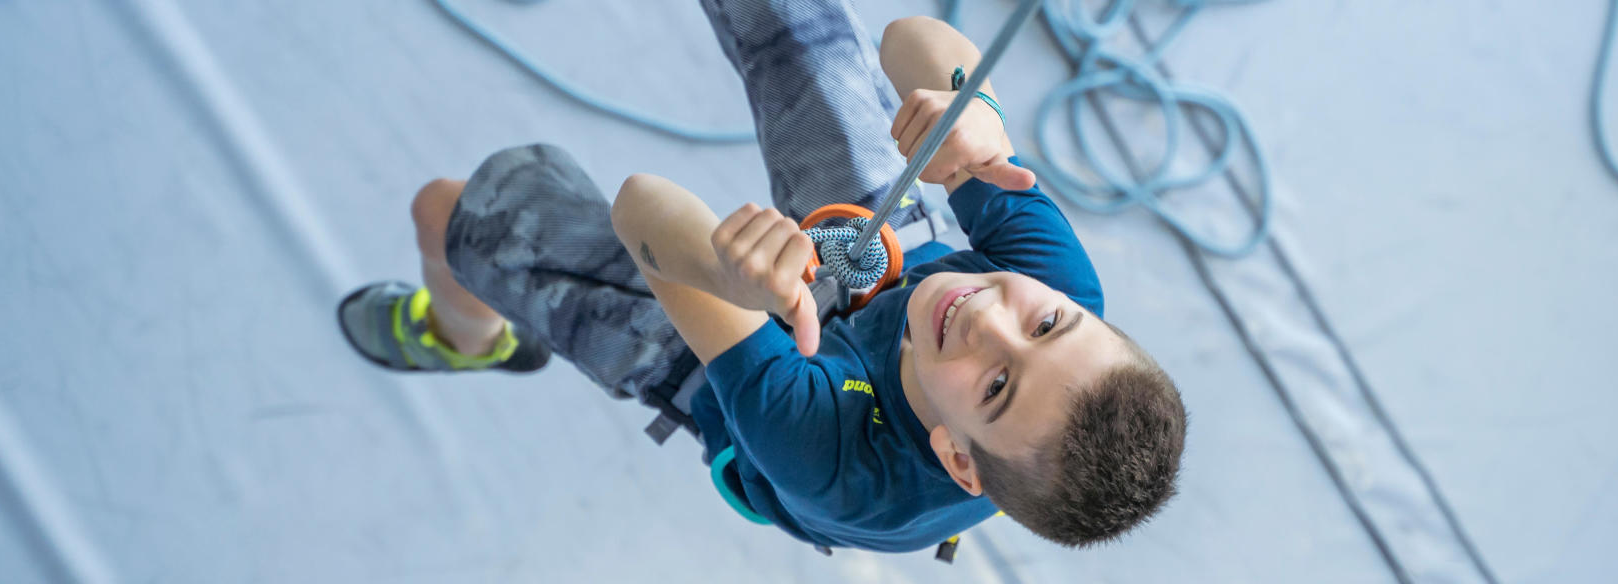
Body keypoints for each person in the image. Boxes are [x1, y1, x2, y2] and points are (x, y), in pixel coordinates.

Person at [337, 2, 1186, 552]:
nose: (987, 319)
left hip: (745, 362)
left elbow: (644, 213)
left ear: (961, 462)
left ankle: (467, 336)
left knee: (446, 213)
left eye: (998, 385)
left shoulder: (826, 457)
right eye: (1047, 326)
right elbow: (909, 41)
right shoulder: (1058, 294)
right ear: (1084, 319)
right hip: (883, 268)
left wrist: (727, 275)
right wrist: (979, 119)